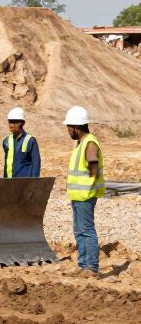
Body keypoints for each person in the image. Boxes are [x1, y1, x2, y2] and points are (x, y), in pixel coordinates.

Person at [65, 105, 104, 277]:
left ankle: (91, 267)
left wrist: (89, 180)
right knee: (79, 231)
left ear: (77, 127)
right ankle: (83, 265)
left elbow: (92, 167)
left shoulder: (89, 143)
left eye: (69, 127)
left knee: (86, 230)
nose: (68, 131)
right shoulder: (80, 144)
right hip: (78, 196)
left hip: (85, 195)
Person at [2, 107, 40, 178]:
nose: (11, 125)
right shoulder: (6, 141)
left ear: (22, 123)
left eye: (14, 122)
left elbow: (36, 164)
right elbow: (6, 165)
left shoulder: (30, 140)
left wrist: (34, 184)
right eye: (10, 121)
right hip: (10, 183)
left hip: (25, 184)